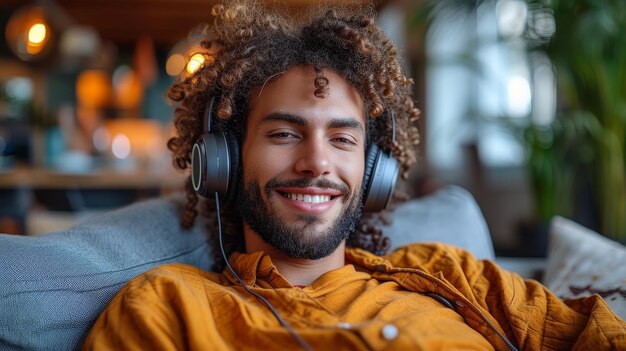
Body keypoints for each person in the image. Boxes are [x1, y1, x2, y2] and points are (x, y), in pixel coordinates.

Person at [83, 1, 626, 350]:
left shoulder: (451, 276)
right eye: (284, 133)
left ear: (374, 170)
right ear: (222, 159)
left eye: (343, 139)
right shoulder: (165, 306)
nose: (318, 162)